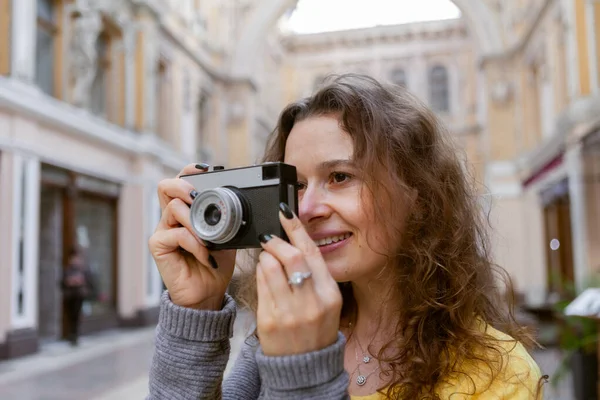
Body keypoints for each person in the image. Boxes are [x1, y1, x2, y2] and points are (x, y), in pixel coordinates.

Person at [148, 74, 545, 399]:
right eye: (297, 185)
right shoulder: (277, 338)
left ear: (420, 196)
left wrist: (304, 374)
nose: (305, 210)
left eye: (340, 177)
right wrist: (196, 314)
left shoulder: (499, 377)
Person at [61, 248, 95, 346]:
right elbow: (62, 282)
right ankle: (70, 335)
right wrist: (69, 282)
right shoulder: (67, 270)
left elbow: (90, 283)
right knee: (70, 315)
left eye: (76, 258)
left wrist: (81, 283)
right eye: (73, 258)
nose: (75, 260)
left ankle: (75, 335)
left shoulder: (84, 270)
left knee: (76, 315)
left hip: (79, 296)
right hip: (69, 296)